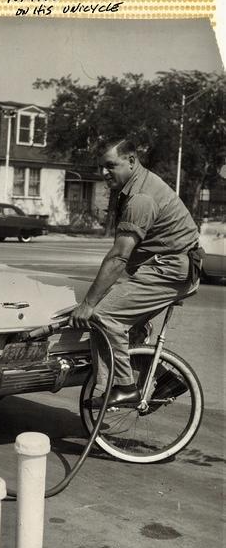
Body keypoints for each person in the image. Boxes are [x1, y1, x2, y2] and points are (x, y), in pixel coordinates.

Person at [68, 139, 202, 407]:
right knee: (127, 326)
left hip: (171, 269)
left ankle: (124, 387)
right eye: (101, 167)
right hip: (171, 266)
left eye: (110, 166)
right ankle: (164, 381)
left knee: (104, 317)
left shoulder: (141, 198)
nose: (104, 173)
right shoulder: (134, 186)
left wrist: (88, 304)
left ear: (131, 161)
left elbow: (119, 257)